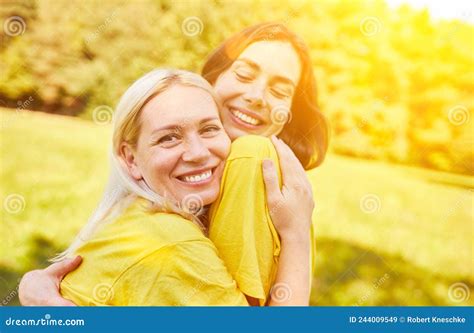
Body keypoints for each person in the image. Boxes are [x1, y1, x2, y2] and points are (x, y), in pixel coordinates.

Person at [19, 22, 328, 305]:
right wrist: (297, 235)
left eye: (279, 90)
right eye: (244, 74)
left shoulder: (278, 193)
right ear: (213, 78)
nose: (257, 96)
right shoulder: (170, 239)